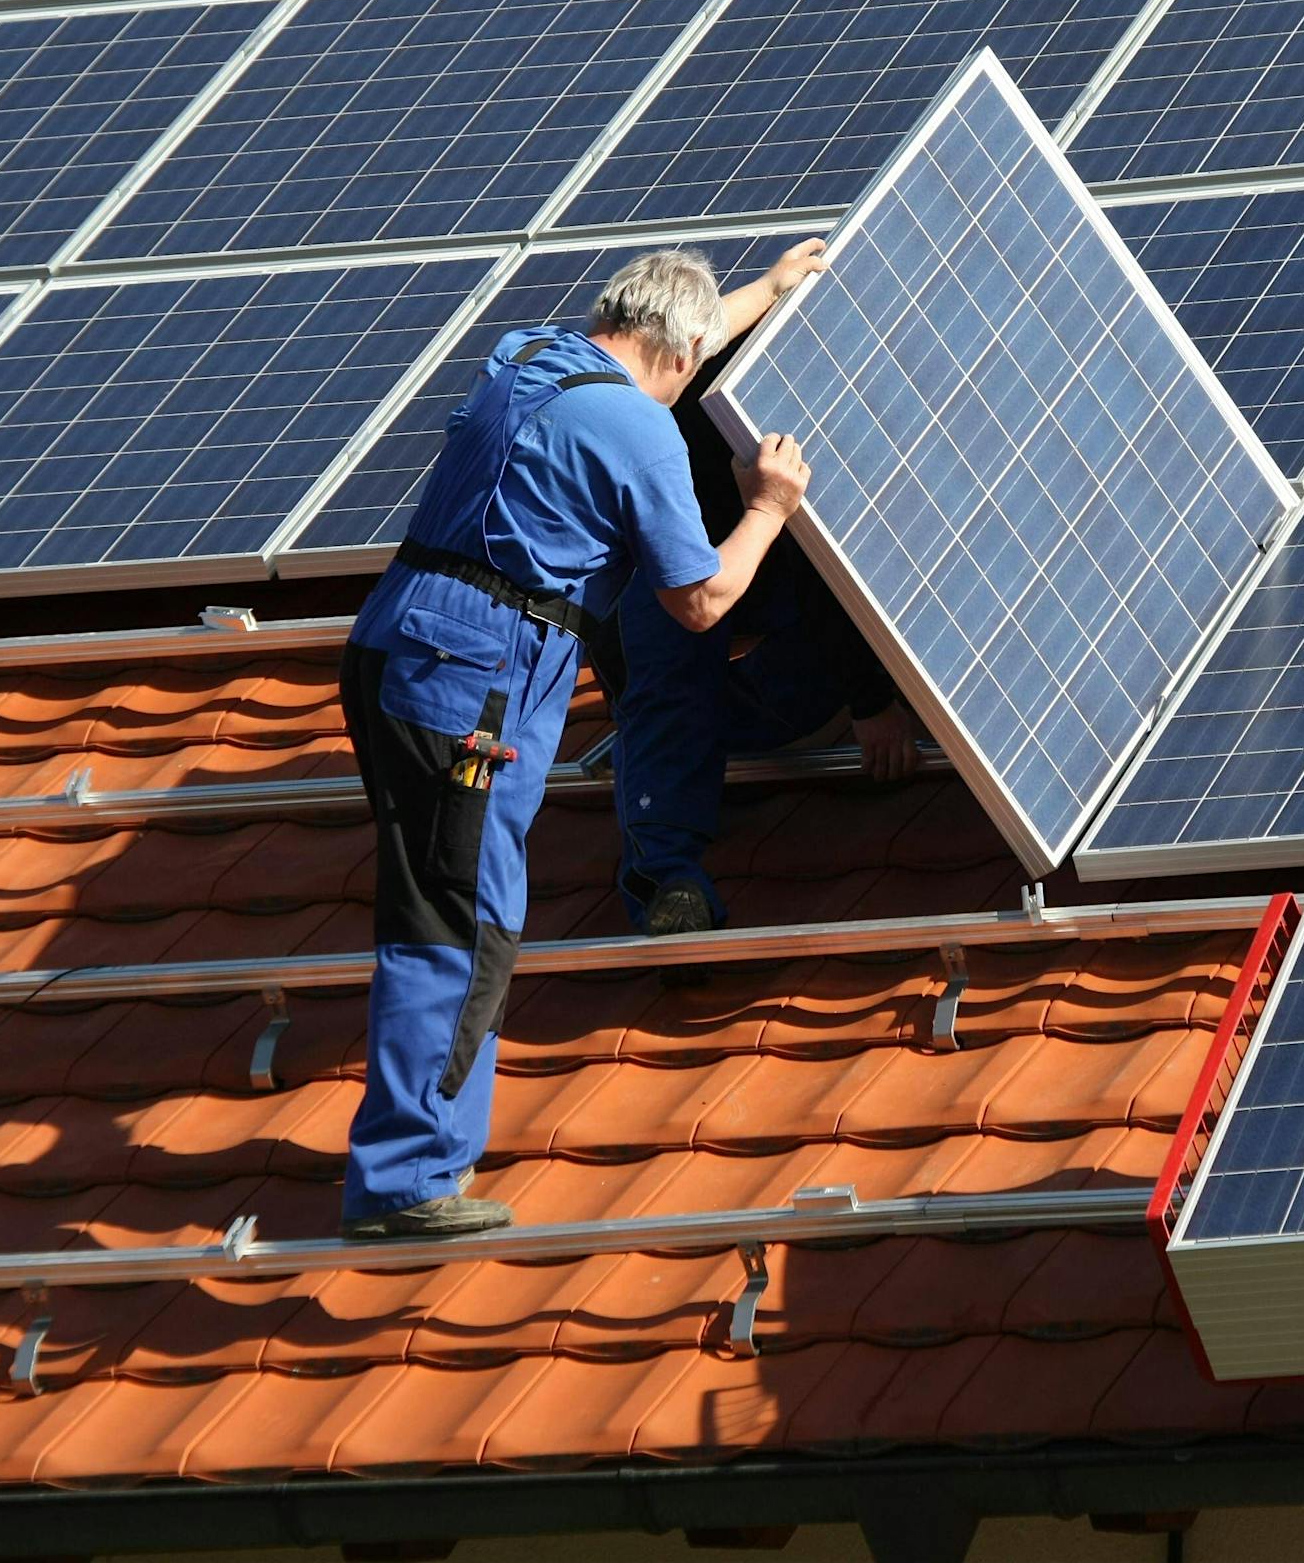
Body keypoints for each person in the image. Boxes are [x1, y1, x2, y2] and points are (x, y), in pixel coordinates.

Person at [338, 240, 827, 1239]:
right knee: (461, 917)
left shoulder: (525, 356)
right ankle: (406, 1179)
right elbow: (699, 599)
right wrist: (767, 508)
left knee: (433, 896)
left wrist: (767, 291)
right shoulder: (642, 432)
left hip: (394, 644)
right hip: (477, 678)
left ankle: (407, 1156)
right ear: (681, 354)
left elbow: (670, 336)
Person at [608, 327, 923, 936]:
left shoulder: (831, 373)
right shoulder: (677, 424)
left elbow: (824, 554)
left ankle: (729, 727)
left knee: (799, 683)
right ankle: (668, 881)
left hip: (779, 560)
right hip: (681, 568)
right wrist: (872, 704)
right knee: (663, 686)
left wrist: (868, 692)